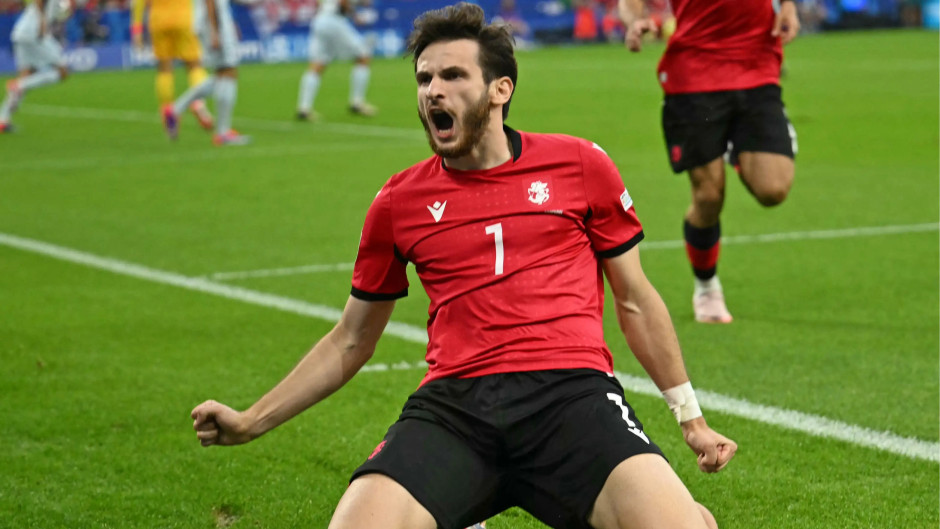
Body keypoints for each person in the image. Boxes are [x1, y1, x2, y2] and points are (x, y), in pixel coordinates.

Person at [191, 4, 737, 529]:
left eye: (453, 75)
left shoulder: (580, 165)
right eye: (425, 78)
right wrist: (252, 420)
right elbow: (350, 339)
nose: (433, 90)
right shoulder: (397, 201)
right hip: (454, 409)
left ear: (501, 89)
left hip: (571, 397)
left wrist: (690, 418)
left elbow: (634, 298)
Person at [618, 0, 800, 324]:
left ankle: (734, 147)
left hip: (756, 66)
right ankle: (706, 286)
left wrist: (788, 6)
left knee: (773, 189)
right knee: (708, 196)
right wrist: (636, 21)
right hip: (694, 75)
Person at [161, 0, 251, 145]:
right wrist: (215, 32)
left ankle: (175, 110)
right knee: (228, 72)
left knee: (222, 75)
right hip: (213, 23)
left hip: (211, 21)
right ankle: (223, 133)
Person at [131, 0, 214, 130]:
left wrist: (137, 29)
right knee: (194, 64)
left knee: (164, 68)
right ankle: (198, 102)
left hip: (159, 21)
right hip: (183, 18)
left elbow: (139, 2)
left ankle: (167, 110)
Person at [295, 0, 377, 121]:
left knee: (317, 65)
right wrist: (355, 15)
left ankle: (304, 108)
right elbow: (343, 2)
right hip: (334, 20)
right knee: (363, 57)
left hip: (320, 20)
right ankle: (357, 102)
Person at [0, 0, 71, 133]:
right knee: (62, 72)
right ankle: (19, 86)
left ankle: (2, 120)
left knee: (26, 75)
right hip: (36, 34)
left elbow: (61, 12)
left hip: (21, 33)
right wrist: (42, 21)